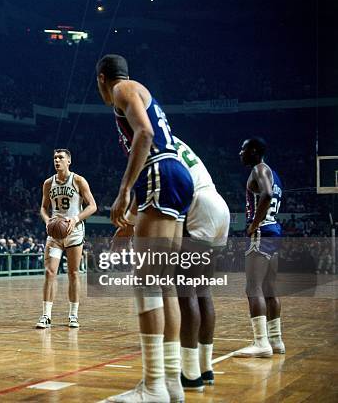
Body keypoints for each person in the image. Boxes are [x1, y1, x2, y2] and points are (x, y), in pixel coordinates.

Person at [96, 54, 194, 403]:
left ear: (102, 79)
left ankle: (153, 385)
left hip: (159, 171)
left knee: (147, 282)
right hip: (176, 175)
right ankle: (170, 383)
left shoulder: (123, 88)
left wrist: (124, 191)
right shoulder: (139, 89)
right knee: (164, 285)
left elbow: (145, 133)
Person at [171, 135, 230, 391]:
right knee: (203, 291)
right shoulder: (178, 141)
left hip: (200, 207)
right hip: (219, 204)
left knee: (186, 294)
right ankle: (206, 369)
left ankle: (191, 374)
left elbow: (176, 194)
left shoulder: (153, 142)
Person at [234, 137, 285, 358]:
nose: (240, 153)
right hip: (274, 231)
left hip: (262, 232)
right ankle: (276, 340)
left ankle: (261, 342)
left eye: (243, 149)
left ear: (254, 151)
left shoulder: (259, 169)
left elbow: (266, 194)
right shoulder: (274, 173)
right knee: (270, 290)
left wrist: (254, 224)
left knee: (252, 288)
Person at [37, 149, 97, 329]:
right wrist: (48, 221)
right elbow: (42, 208)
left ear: (68, 161)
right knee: (50, 272)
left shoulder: (78, 180)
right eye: (55, 157)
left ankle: (73, 315)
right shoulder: (48, 183)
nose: (57, 160)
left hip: (74, 231)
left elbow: (93, 206)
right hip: (55, 233)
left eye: (61, 158)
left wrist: (76, 218)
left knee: (73, 273)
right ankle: (46, 316)